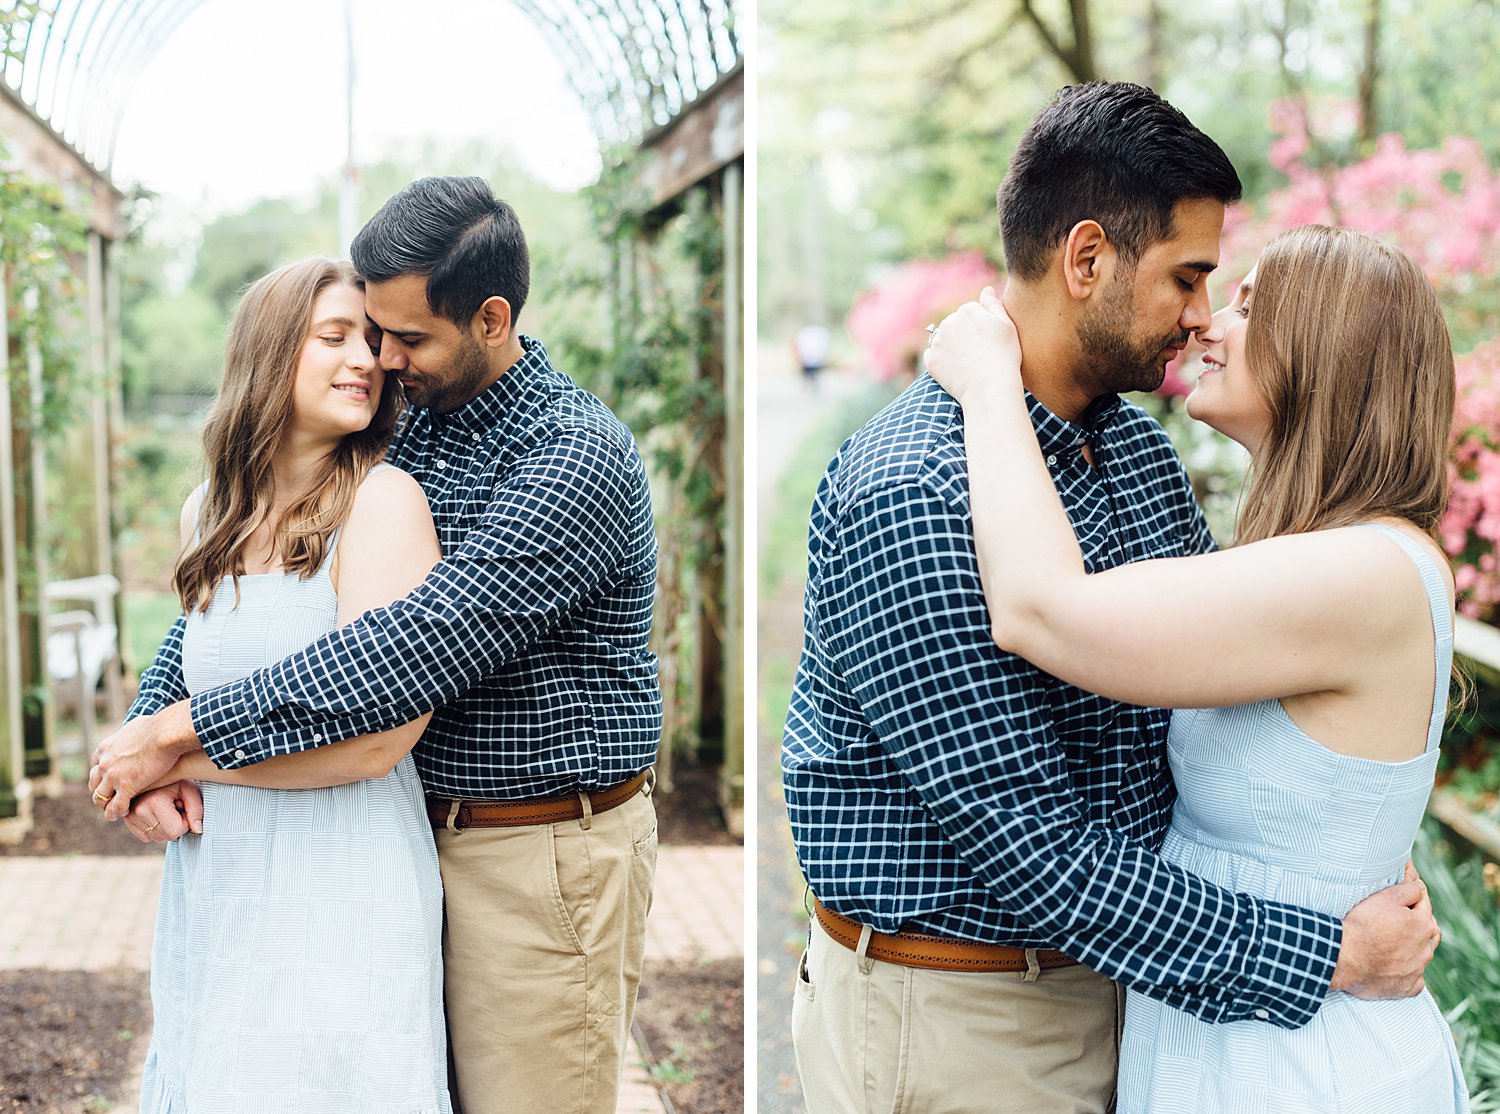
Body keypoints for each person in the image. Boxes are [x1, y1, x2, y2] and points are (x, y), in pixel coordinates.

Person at [781, 82, 1440, 1114]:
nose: (1200, 316)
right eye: (1188, 278)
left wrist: (1346, 849)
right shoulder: (913, 489)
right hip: (965, 1021)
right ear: (1086, 258)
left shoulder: (1134, 454)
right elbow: (1032, 846)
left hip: (1144, 997)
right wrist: (1324, 945)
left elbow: (1214, 715)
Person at [91, 177, 661, 1114]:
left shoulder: (572, 457)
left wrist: (181, 739)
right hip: (392, 833)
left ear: (490, 318)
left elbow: (404, 652)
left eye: (405, 337)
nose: (384, 358)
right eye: (365, 332)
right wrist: (150, 735)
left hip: (536, 855)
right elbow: (225, 618)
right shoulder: (410, 424)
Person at [926, 224, 1469, 1110]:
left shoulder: (1361, 572)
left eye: (1252, 307)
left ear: (1324, 353)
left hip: (1303, 1064)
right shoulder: (1319, 555)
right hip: (1240, 1034)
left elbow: (1040, 611)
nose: (1210, 324)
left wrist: (993, 388)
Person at [126, 257, 449, 1112]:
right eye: (333, 337)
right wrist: (146, 763)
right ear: (269, 354)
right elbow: (184, 674)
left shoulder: (384, 503)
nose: (365, 361)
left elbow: (378, 742)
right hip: (222, 881)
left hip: (344, 881)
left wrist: (178, 760)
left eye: (372, 342)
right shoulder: (207, 513)